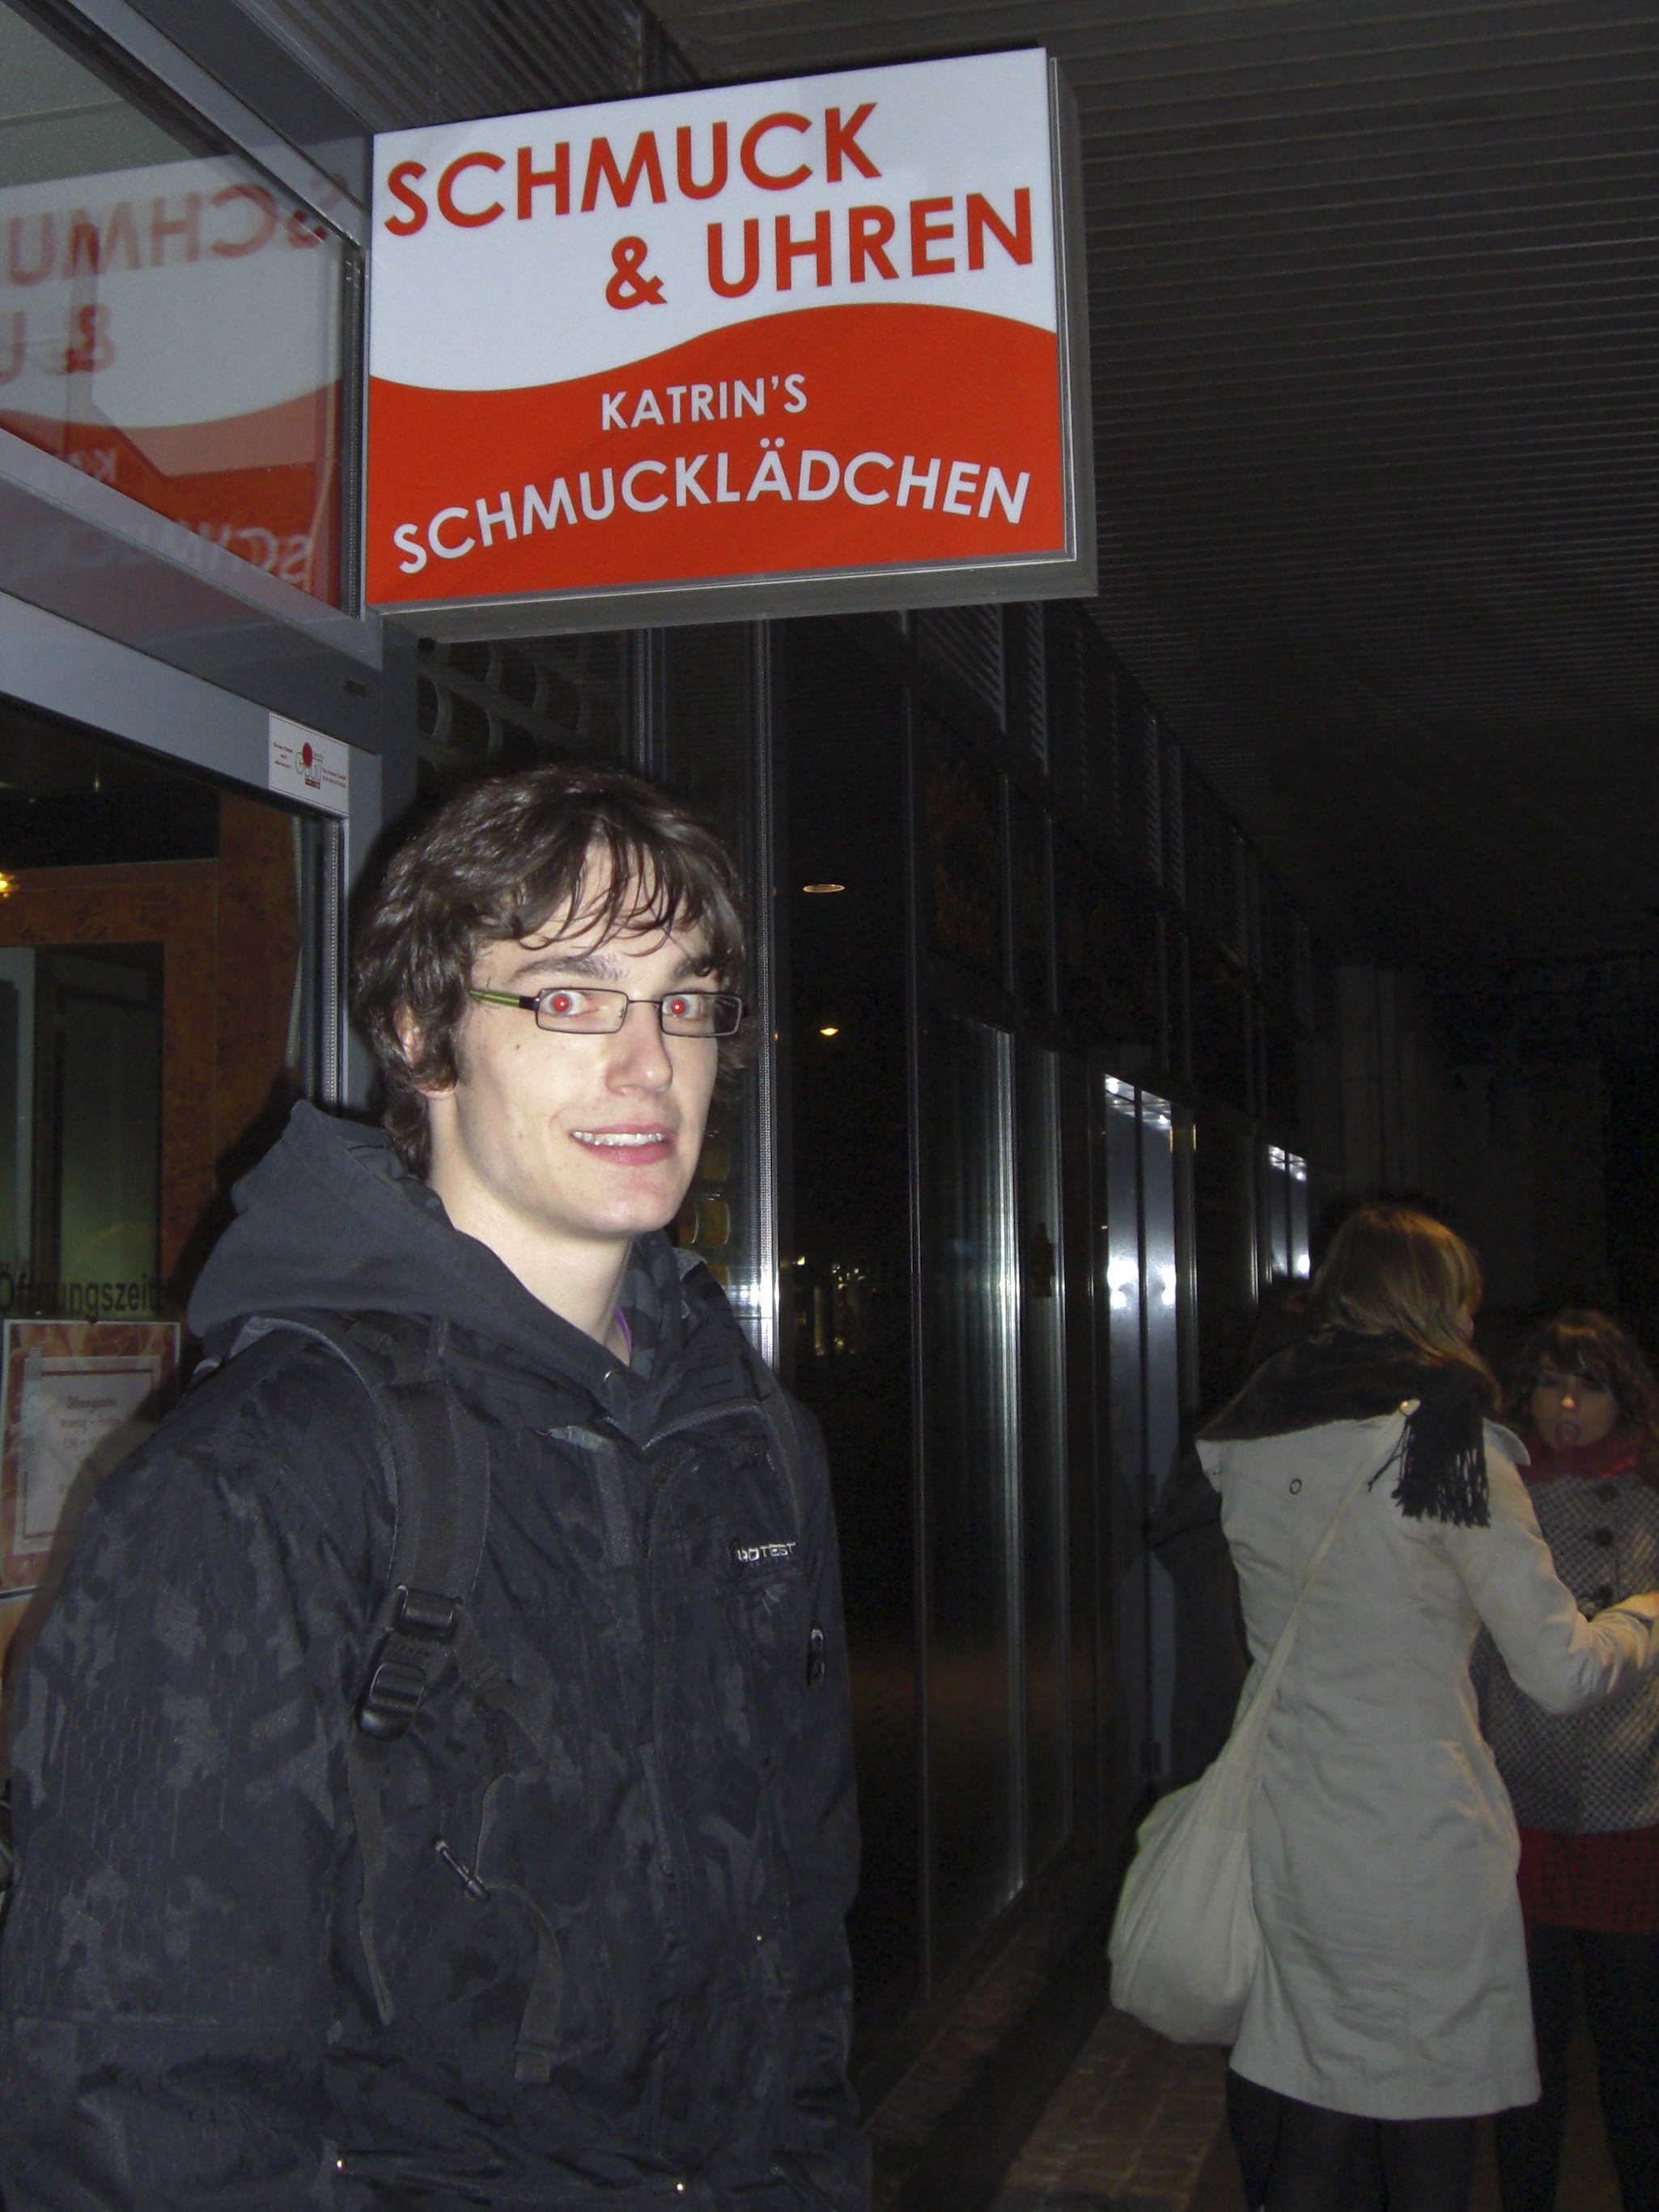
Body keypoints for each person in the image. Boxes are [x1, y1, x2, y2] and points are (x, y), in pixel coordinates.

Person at [0, 764, 869, 2212]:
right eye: (572, 997)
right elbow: (136, 2087)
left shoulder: (753, 1444)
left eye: (685, 1000)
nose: (649, 1063)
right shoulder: (260, 1477)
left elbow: (800, 1939)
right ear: (419, 1032)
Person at [1197, 1206, 1659, 2212]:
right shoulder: (1446, 1441)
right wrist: (1643, 1617)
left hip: (1297, 1816)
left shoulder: (1253, 1434)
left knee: (1315, 2113)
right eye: (1463, 1300)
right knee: (1429, 2126)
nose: (1472, 1320)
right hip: (1417, 1833)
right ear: (1431, 1302)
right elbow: (1561, 1671)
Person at [1475, 1310, 1659, 2212]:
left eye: (1589, 1385)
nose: (1569, 1406)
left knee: (1638, 2048)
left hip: (1635, 1806)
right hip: (1523, 1806)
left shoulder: (1650, 1497)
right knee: (1527, 2053)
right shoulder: (1497, 1495)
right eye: (1552, 1384)